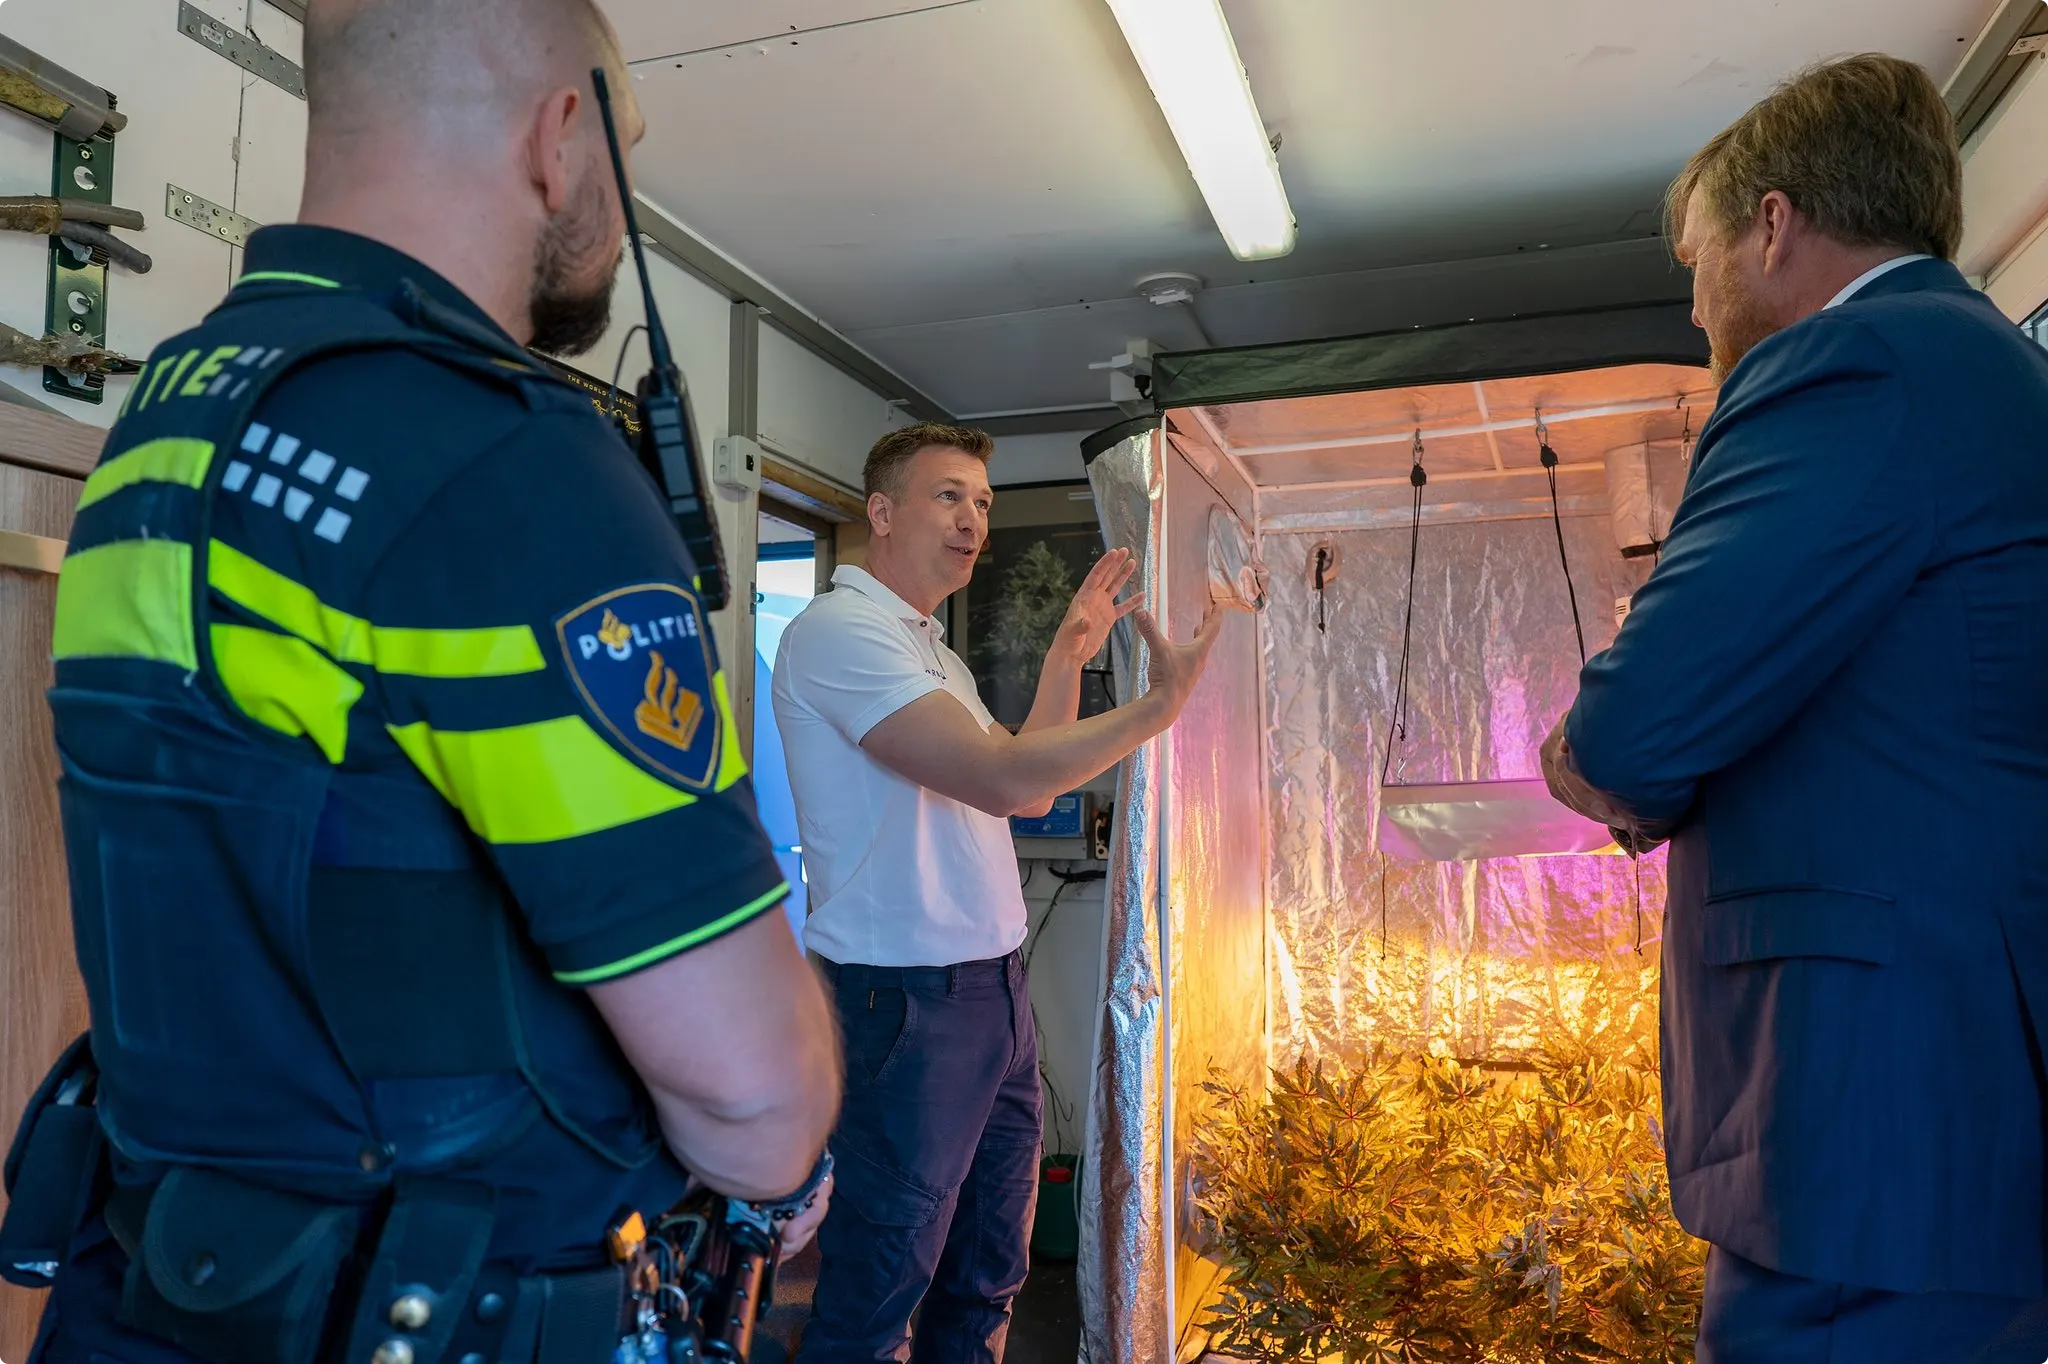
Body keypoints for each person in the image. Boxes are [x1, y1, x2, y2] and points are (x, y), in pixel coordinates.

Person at [15, 2, 841, 1361]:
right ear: (559, 135)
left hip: (157, 1299)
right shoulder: (508, 470)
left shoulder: (161, 430)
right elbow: (754, 1100)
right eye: (624, 145)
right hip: (448, 1309)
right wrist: (791, 1149)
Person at [1541, 54, 2048, 1364]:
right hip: (1963, 1088)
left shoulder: (1851, 365)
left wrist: (1582, 753)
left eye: (1698, 257)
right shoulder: (1982, 367)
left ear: (1772, 225)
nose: (1699, 301)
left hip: (1873, 1117)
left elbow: (1634, 726)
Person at [771, 424, 1221, 1362]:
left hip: (991, 996)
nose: (974, 518)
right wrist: (1155, 710)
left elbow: (1033, 783)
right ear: (882, 513)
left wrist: (1067, 655)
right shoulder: (839, 633)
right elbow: (1004, 779)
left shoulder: (931, 647)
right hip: (909, 1006)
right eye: (948, 496)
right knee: (877, 1293)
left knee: (985, 1276)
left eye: (982, 501)